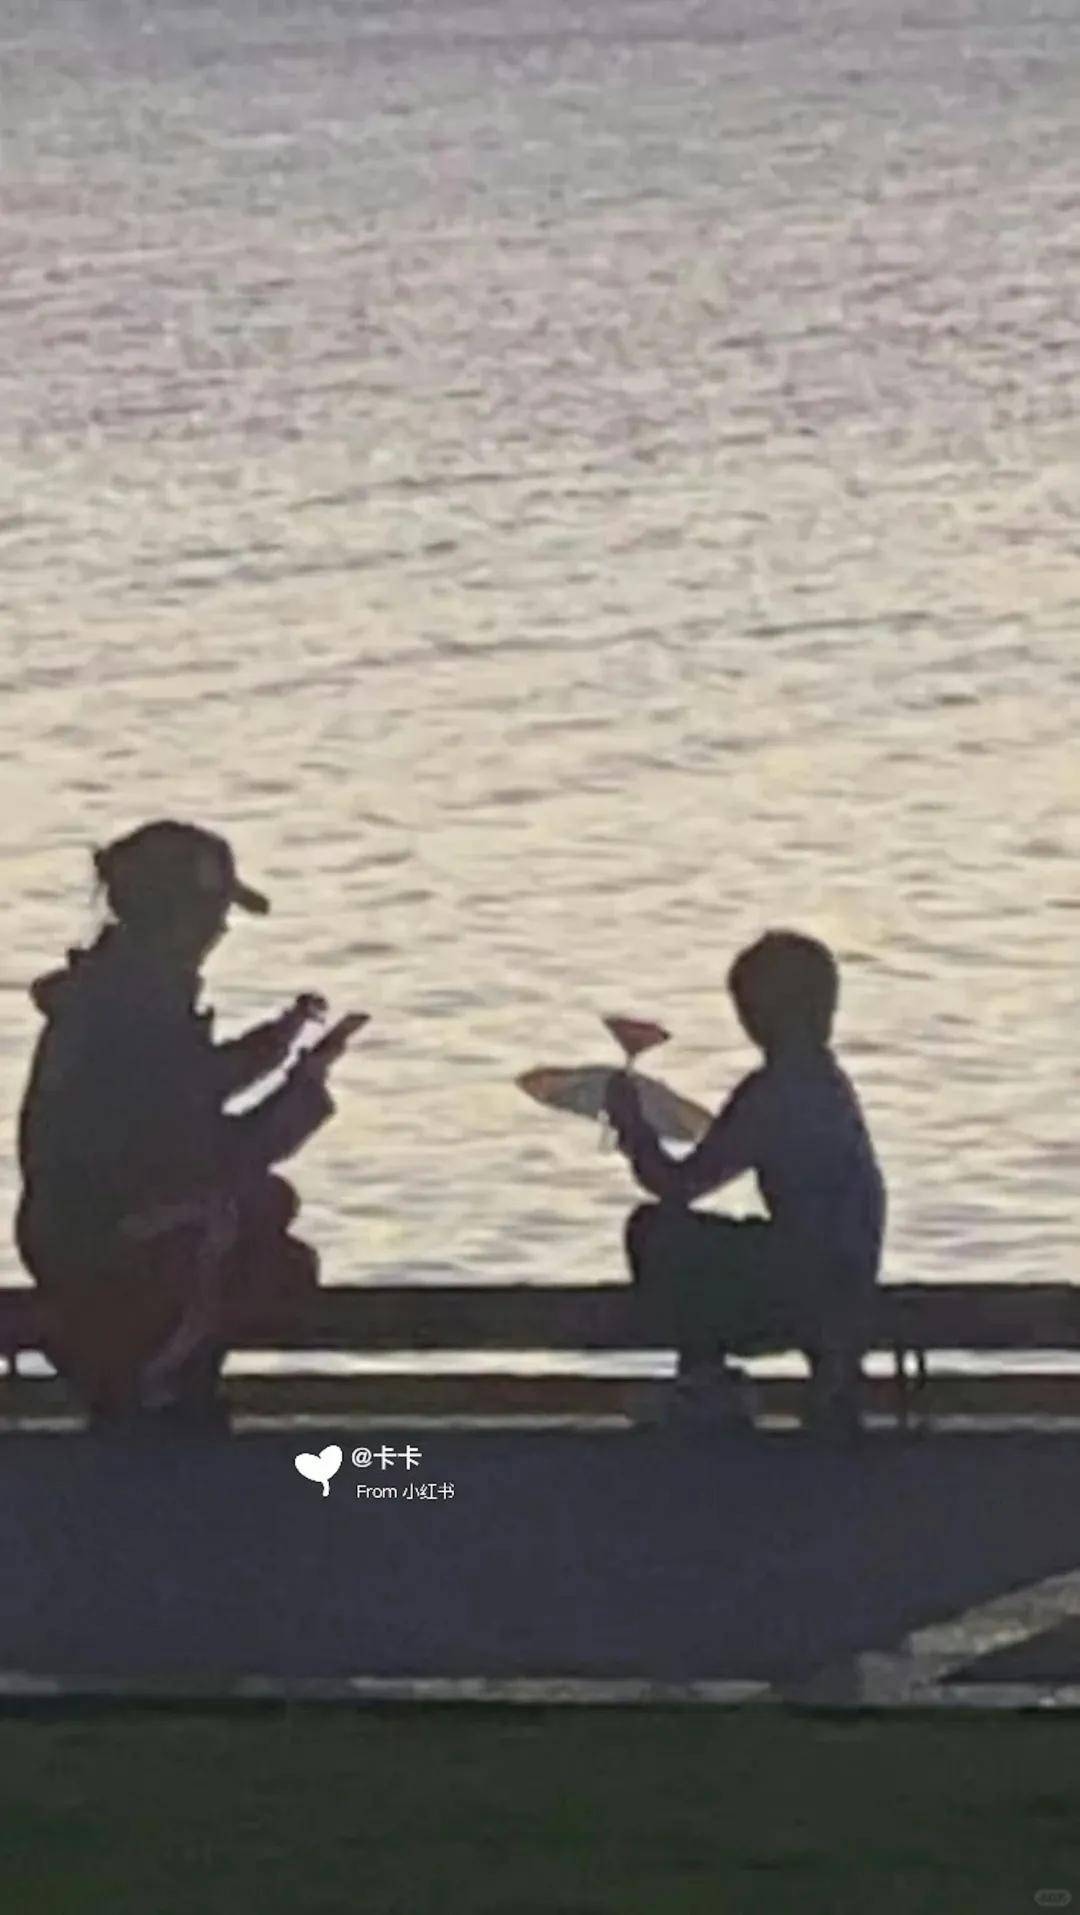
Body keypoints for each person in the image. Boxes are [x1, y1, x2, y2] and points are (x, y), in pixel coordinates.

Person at [15, 820, 365, 1433]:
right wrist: (303, 1090)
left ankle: (154, 1378)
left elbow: (194, 1090)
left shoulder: (116, 997)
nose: (222, 930)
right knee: (254, 1231)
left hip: (73, 1231)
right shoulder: (134, 1014)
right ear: (179, 919)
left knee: (260, 1218)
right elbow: (211, 1150)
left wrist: (281, 1044)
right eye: (214, 914)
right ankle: (151, 1390)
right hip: (109, 1245)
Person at [604, 930, 886, 1439]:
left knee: (657, 1232)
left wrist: (635, 1129)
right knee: (747, 1240)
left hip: (801, 1281)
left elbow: (676, 1185)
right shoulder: (829, 1084)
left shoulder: (773, 1092)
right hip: (847, 1271)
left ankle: (705, 1383)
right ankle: (828, 1379)